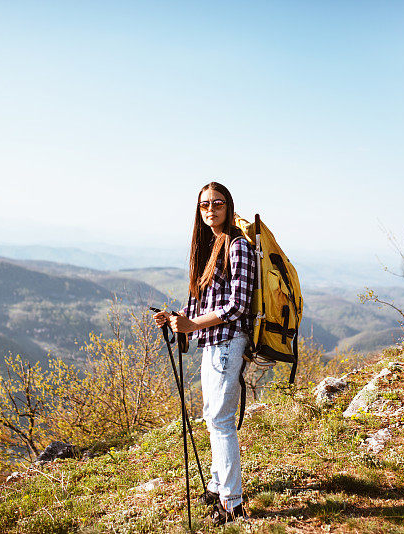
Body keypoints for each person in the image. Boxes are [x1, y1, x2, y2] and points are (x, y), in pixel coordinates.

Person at [153, 181, 255, 526]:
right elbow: (199, 303)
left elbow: (239, 305)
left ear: (229, 207)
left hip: (228, 341)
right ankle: (216, 485)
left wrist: (194, 325)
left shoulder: (238, 246)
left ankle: (231, 503)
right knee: (213, 418)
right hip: (211, 342)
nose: (210, 209)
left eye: (218, 203)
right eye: (204, 205)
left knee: (221, 421)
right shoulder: (206, 247)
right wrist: (176, 319)